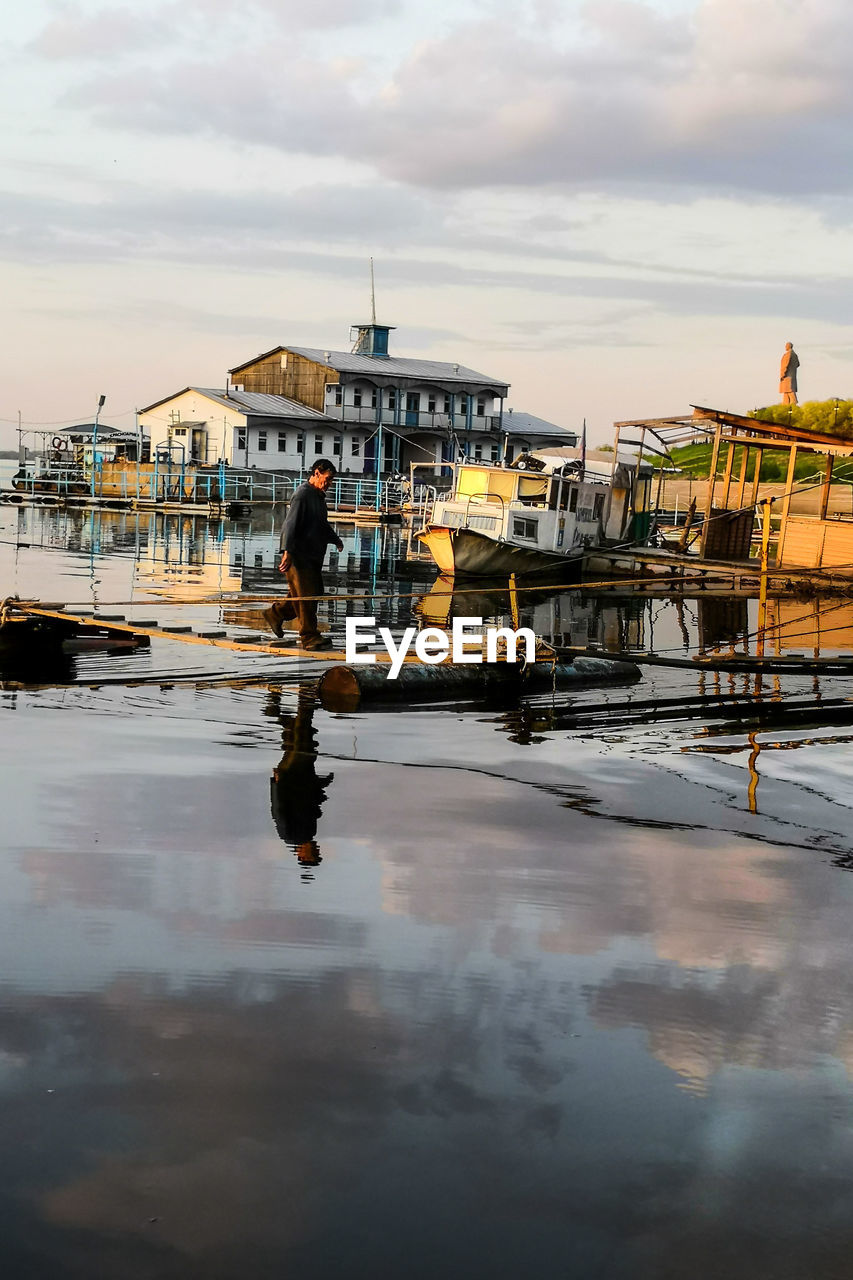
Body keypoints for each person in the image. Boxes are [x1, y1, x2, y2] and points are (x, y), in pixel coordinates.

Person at [263, 458, 344, 651]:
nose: (330, 483)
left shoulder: (318, 497)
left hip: (313, 557)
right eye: (328, 478)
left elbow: (321, 525)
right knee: (305, 597)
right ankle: (309, 637)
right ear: (316, 473)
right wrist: (287, 552)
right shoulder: (302, 495)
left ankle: (275, 614)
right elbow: (289, 525)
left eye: (332, 480)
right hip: (298, 557)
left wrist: (336, 540)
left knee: (312, 593)